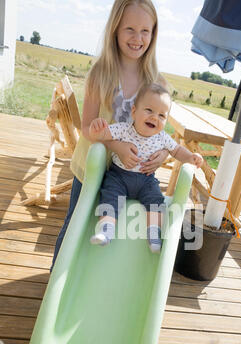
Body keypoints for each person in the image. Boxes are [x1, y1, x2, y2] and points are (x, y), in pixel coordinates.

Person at [50, 0, 169, 270]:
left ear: (154, 34)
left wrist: (161, 155)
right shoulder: (101, 73)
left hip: (132, 174)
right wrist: (117, 146)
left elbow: (161, 132)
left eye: (145, 31)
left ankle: (99, 279)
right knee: (76, 221)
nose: (137, 38)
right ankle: (56, 278)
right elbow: (87, 125)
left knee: (124, 225)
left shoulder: (157, 82)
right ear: (115, 29)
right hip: (92, 166)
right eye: (129, 29)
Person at [89, 83, 203, 253]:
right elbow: (101, 135)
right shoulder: (124, 129)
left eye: (162, 115)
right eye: (149, 110)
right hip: (119, 176)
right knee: (110, 196)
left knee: (156, 201)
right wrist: (96, 128)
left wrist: (190, 157)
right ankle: (106, 230)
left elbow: (177, 150)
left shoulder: (163, 138)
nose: (155, 118)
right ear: (134, 111)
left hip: (146, 180)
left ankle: (154, 234)